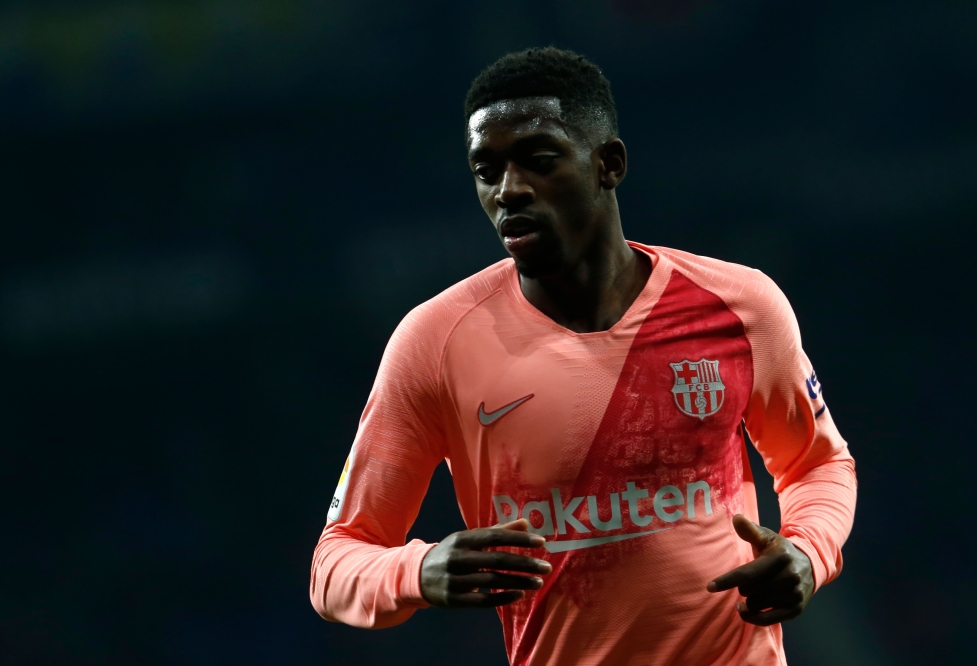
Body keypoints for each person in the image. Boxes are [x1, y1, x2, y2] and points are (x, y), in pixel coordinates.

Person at [310, 47, 857, 665]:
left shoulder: (739, 307)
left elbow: (818, 465)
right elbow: (336, 562)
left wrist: (808, 553)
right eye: (486, 170)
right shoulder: (435, 342)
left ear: (609, 164)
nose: (509, 189)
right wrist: (416, 570)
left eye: (538, 161)